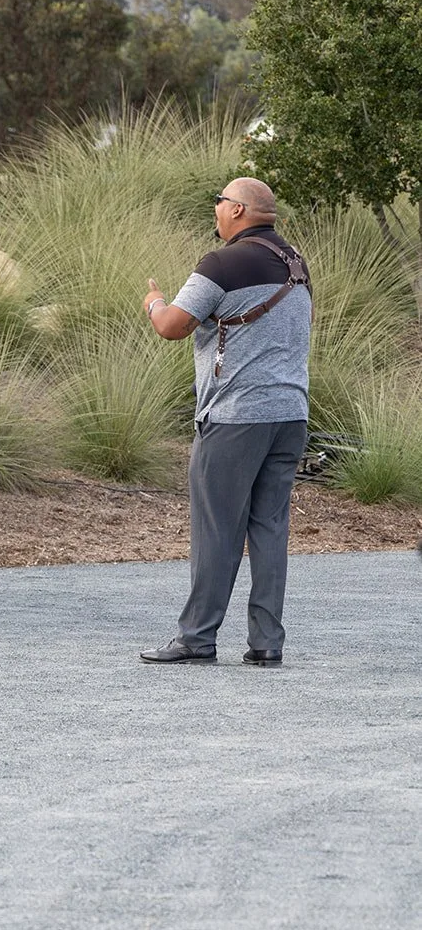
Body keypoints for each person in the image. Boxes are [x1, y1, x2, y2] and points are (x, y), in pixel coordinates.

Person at [140, 177, 312, 666]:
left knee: (217, 528)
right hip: (290, 414)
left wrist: (153, 301)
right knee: (270, 528)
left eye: (219, 203)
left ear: (238, 211)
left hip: (236, 416)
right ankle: (266, 644)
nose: (215, 211)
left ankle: (196, 638)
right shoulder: (295, 263)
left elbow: (173, 326)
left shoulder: (222, 263)